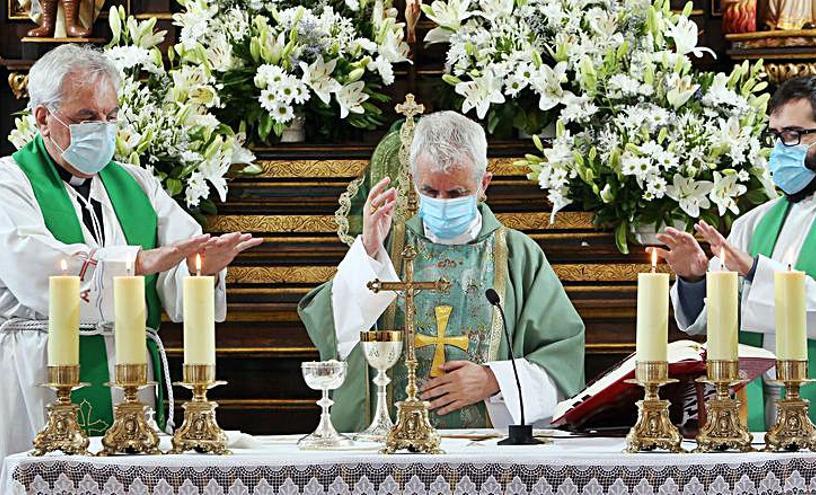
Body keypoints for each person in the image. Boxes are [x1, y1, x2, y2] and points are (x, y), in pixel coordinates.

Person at [0, 44, 263, 459]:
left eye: (110, 116)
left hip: (131, 374)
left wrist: (201, 270)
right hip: (42, 374)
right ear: (42, 119)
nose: (101, 129)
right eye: (86, 117)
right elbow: (35, 266)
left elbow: (181, 261)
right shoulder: (9, 182)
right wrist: (137, 262)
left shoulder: (136, 184)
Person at [657, 75, 816, 492]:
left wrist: (756, 273)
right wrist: (693, 278)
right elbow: (717, 323)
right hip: (757, 412)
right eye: (776, 136)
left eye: (794, 135)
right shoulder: (754, 222)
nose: (781, 150)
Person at [299, 111, 584, 431]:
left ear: (483, 184)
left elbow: (564, 361)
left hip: (487, 455)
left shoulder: (518, 256)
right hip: (394, 449)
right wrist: (367, 250)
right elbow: (334, 335)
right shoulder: (385, 247)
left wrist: (494, 379)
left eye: (456, 193)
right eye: (430, 192)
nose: (442, 203)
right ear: (413, 181)